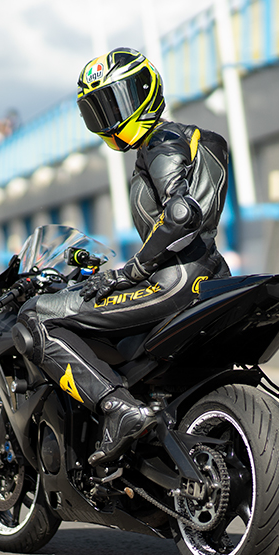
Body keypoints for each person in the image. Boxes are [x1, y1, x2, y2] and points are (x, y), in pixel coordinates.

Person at [14, 47, 230, 468]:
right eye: (99, 107)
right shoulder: (197, 139)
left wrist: (131, 271)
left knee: (36, 317)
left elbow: (182, 214)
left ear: (146, 91)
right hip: (211, 275)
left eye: (117, 101)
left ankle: (118, 409)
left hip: (173, 282)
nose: (110, 117)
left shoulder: (160, 142)